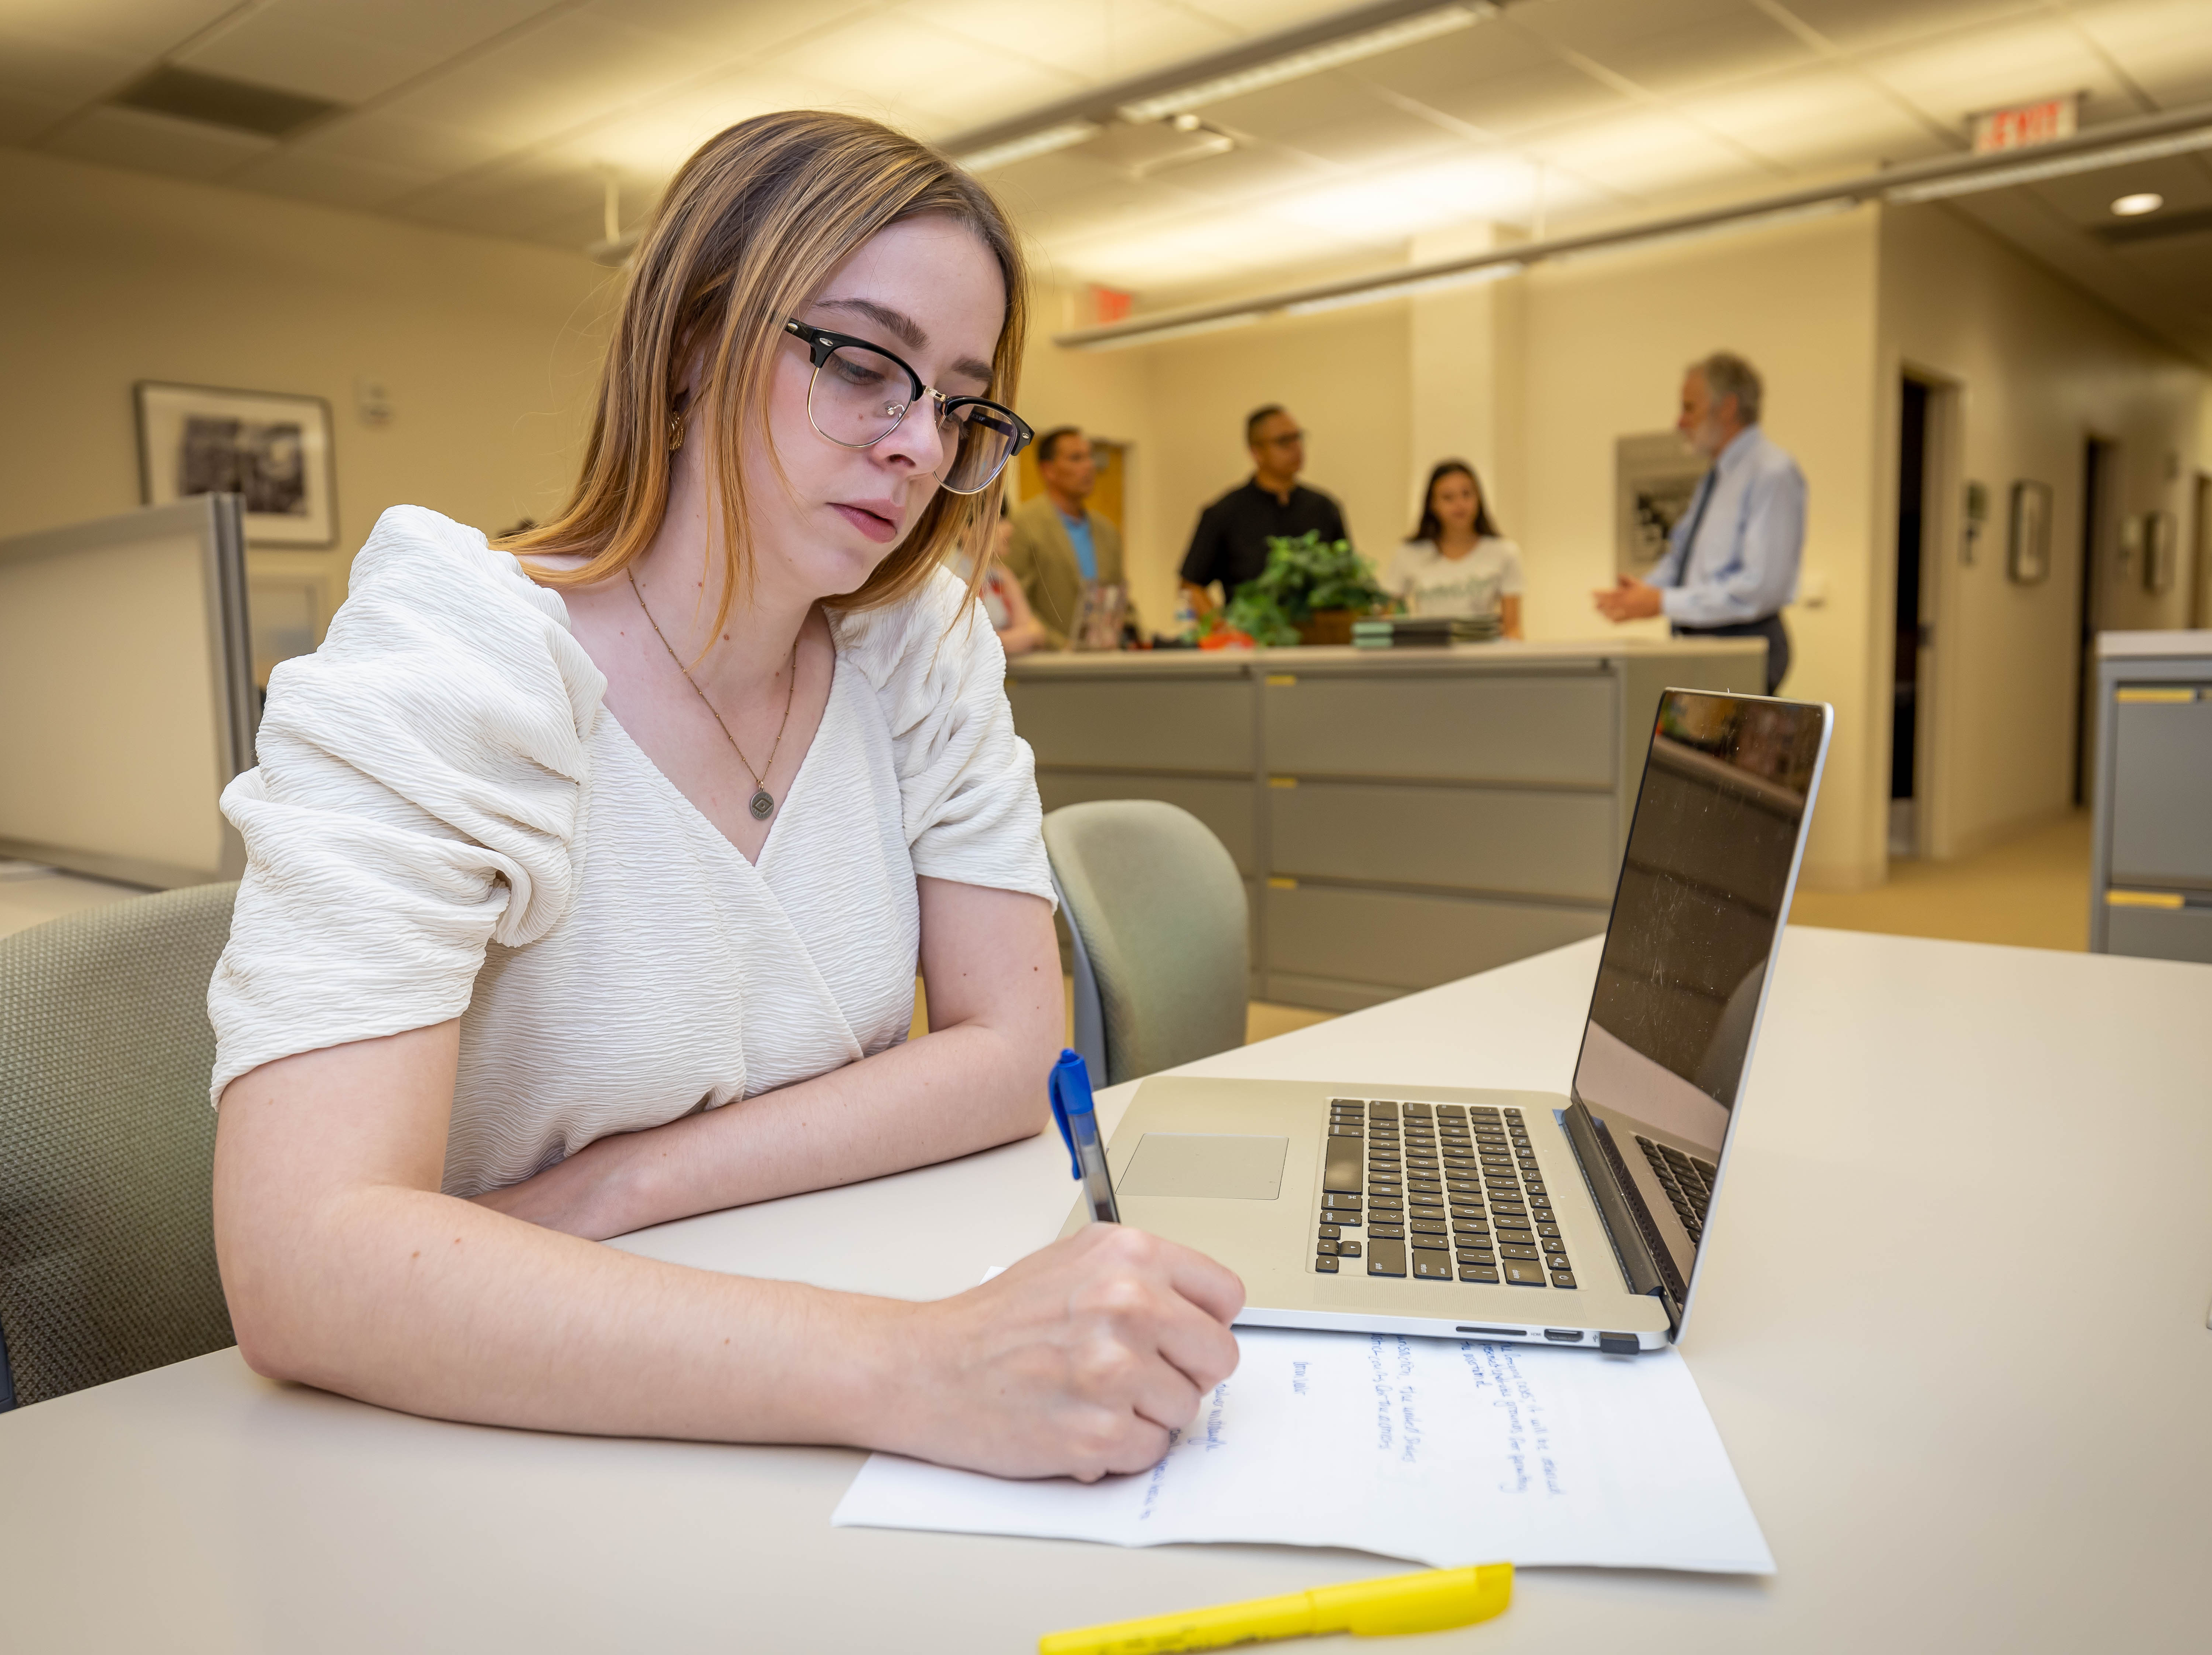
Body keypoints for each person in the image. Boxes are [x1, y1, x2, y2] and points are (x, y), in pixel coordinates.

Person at [205, 111, 1240, 1482]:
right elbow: (301, 1262)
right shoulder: (455, 656)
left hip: (772, 1327)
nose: (919, 451)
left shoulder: (916, 650)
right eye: (865, 365)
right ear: (692, 345)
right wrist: (914, 1365)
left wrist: (626, 1180)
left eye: (959, 406)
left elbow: (1013, 1048)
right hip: (489, 1421)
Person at [1593, 351, 1804, 694]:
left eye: (1690, 408)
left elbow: (1760, 588)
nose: (1679, 422)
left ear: (1728, 408)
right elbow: (1682, 560)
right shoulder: (1715, 480)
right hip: (1703, 651)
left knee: (1735, 750)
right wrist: (1643, 593)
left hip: (1743, 650)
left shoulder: (1772, 474)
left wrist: (1661, 603)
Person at [1178, 405, 1347, 619]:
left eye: (1298, 438)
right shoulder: (1225, 513)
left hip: (1319, 641)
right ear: (1256, 452)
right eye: (1284, 441)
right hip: (1251, 644)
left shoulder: (1324, 507)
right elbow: (1191, 585)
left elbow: (1348, 575)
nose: (1296, 448)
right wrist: (1221, 632)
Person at [1004, 426, 1123, 648]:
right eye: (1076, 459)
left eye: (1090, 457)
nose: (1089, 466)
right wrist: (1062, 647)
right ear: (1048, 470)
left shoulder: (1107, 531)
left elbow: (1116, 596)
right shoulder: (1023, 524)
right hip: (1047, 665)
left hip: (1104, 661)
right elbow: (1016, 601)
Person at [1384, 460, 1523, 638]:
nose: (1460, 504)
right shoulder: (1408, 553)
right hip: (1427, 655)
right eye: (1448, 497)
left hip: (1483, 657)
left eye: (1467, 494)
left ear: (1479, 498)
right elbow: (1387, 619)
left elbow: (1513, 628)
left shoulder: (1505, 552)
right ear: (1432, 504)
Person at [954, 497, 1047, 656]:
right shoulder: (952, 579)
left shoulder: (1003, 576)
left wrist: (1005, 640)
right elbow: (970, 645)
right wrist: (1024, 637)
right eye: (999, 520)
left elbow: (1037, 631)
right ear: (965, 529)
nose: (1010, 528)